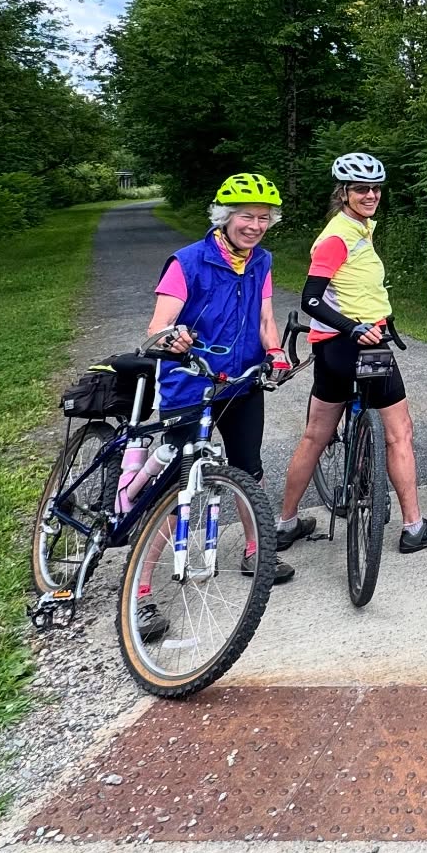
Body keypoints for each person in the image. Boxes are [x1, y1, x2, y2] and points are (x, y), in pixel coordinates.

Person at [276, 152, 427, 555]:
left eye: (375, 188)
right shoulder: (338, 237)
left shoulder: (356, 230)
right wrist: (355, 327)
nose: (371, 194)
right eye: (361, 189)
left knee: (315, 436)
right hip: (359, 346)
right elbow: (311, 298)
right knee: (399, 432)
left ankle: (285, 524)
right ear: (343, 193)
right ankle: (413, 528)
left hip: (332, 350)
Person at [147, 171, 295, 598]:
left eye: (264, 218)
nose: (255, 226)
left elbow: (266, 318)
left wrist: (275, 351)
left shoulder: (261, 260)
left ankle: (255, 552)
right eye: (247, 216)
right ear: (225, 216)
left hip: (241, 383)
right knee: (180, 484)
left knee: (250, 470)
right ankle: (139, 591)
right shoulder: (187, 261)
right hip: (191, 384)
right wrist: (173, 338)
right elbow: (158, 324)